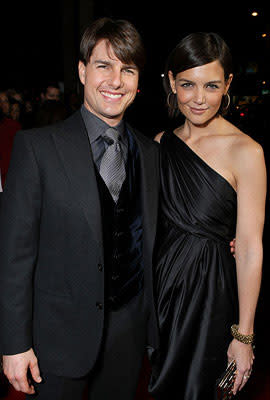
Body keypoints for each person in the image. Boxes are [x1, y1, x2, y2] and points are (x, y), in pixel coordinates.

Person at [0, 17, 160, 400]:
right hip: (55, 340)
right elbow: (14, 256)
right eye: (104, 65)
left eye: (128, 69)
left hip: (128, 338)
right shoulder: (36, 148)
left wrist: (226, 239)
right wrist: (13, 343)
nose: (115, 80)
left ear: (139, 84)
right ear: (82, 70)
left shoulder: (152, 153)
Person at [149, 32, 266, 399]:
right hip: (161, 292)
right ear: (171, 81)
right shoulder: (158, 145)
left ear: (228, 83)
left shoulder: (246, 151)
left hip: (212, 295)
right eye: (187, 84)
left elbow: (248, 248)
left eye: (212, 85)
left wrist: (243, 336)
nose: (199, 99)